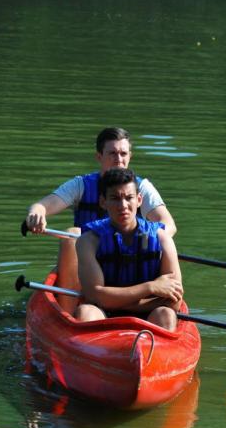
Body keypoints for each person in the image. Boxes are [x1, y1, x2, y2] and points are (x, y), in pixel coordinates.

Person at [25, 127, 176, 310]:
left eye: (123, 153)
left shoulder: (141, 187)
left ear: (130, 156)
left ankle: (131, 303)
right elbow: (42, 205)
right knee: (72, 234)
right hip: (88, 258)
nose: (118, 160)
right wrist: (36, 214)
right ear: (99, 156)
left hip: (130, 254)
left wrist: (141, 242)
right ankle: (69, 311)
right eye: (112, 153)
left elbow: (167, 225)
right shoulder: (81, 185)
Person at [75, 168, 183, 331]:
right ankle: (95, 354)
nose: (123, 206)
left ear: (139, 200)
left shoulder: (162, 238)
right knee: (85, 312)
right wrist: (151, 287)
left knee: (166, 315)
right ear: (103, 202)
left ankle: (153, 354)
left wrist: (116, 301)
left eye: (129, 198)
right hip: (104, 314)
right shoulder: (88, 241)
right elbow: (95, 297)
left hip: (149, 315)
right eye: (115, 198)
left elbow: (174, 301)